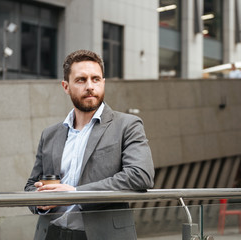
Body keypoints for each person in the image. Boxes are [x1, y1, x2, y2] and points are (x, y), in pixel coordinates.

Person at [24, 49, 155, 240]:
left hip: (102, 235)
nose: (90, 86)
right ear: (66, 86)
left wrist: (75, 193)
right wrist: (40, 200)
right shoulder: (50, 134)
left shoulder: (127, 125)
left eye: (95, 79)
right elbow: (30, 186)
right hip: (51, 233)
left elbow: (140, 175)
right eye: (81, 80)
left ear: (103, 83)